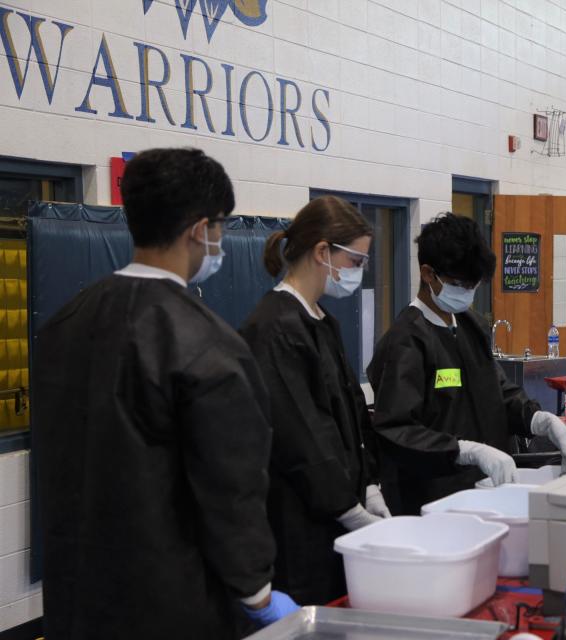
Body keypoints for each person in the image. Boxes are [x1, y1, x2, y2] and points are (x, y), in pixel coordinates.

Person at [33, 148, 297, 640]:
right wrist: (256, 592)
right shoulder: (208, 346)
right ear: (201, 229)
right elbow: (229, 488)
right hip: (170, 605)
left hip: (77, 599)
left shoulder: (64, 324)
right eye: (219, 226)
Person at [366, 213, 566, 515]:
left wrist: (537, 419)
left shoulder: (470, 326)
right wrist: (464, 451)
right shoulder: (406, 342)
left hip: (486, 490)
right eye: (459, 284)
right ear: (428, 274)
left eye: (474, 284)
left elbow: (497, 391)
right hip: (433, 500)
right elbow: (396, 431)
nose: (468, 292)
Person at [239, 196, 388, 606]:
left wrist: (370, 484)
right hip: (301, 530)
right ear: (323, 252)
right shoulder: (274, 328)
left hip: (338, 522)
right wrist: (348, 509)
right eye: (356, 262)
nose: (358, 273)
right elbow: (301, 436)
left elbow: (351, 414)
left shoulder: (322, 322)